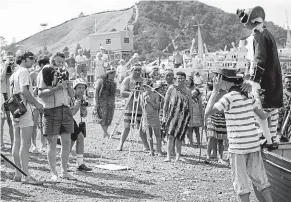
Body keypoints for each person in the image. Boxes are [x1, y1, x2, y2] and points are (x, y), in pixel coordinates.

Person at [205, 67, 273, 202]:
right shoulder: (248, 95)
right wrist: (272, 109)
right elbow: (263, 116)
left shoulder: (228, 98)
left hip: (238, 146)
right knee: (261, 179)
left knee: (241, 182)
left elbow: (207, 112)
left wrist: (214, 91)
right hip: (253, 143)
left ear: (223, 81)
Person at [237, 6, 283, 149]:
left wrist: (254, 80)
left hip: (264, 82)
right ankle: (273, 139)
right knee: (273, 111)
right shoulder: (268, 34)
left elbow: (259, 61)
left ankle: (267, 140)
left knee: (259, 110)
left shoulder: (259, 35)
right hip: (274, 82)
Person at [37, 52, 75, 181]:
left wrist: (69, 87)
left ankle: (64, 170)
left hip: (65, 109)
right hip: (51, 110)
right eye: (57, 61)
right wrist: (56, 88)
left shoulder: (64, 73)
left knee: (66, 141)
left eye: (62, 62)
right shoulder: (45, 72)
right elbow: (40, 94)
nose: (59, 64)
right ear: (52, 60)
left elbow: (72, 94)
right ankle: (54, 172)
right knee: (52, 143)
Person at [10, 51, 43, 184]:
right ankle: (27, 175)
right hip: (24, 107)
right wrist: (37, 103)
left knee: (16, 142)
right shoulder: (24, 71)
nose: (33, 61)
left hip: (14, 108)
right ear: (23, 59)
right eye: (31, 58)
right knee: (25, 143)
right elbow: (24, 90)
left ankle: (18, 173)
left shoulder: (13, 74)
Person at [117, 64, 149, 151]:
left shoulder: (144, 80)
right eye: (136, 70)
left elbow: (148, 92)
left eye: (139, 70)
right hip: (129, 107)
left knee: (141, 127)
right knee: (126, 127)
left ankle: (146, 145)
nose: (138, 72)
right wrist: (134, 92)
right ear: (132, 70)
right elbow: (122, 92)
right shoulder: (127, 79)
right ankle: (121, 144)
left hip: (140, 107)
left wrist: (142, 93)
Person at [163, 71, 193, 162]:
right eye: (178, 78)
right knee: (170, 136)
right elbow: (166, 102)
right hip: (172, 115)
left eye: (182, 78)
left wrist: (190, 118)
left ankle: (178, 156)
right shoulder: (171, 88)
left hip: (183, 116)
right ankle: (168, 156)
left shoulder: (188, 91)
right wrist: (164, 115)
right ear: (176, 79)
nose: (180, 80)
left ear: (185, 79)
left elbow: (190, 105)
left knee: (179, 137)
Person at [69, 78, 92, 171]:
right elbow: (71, 113)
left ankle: (79, 163)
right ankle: (76, 164)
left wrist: (83, 108)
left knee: (75, 140)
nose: (82, 90)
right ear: (74, 88)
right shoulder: (69, 97)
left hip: (75, 121)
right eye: (79, 87)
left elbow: (84, 115)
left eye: (83, 88)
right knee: (72, 142)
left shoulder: (82, 98)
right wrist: (76, 106)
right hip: (67, 120)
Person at [29, 56, 50, 153]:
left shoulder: (48, 74)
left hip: (43, 102)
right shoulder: (33, 74)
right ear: (41, 65)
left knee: (42, 124)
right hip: (35, 102)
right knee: (34, 124)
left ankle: (43, 145)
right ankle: (34, 145)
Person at [93, 67, 117, 138]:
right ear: (109, 74)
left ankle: (105, 132)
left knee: (109, 117)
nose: (114, 75)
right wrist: (96, 102)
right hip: (102, 102)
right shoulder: (101, 81)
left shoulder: (114, 83)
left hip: (110, 103)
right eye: (113, 74)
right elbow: (96, 91)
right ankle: (105, 132)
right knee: (102, 117)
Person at [141, 79, 162, 156]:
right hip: (146, 117)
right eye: (144, 87)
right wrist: (143, 101)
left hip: (154, 116)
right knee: (148, 135)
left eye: (147, 87)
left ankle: (159, 150)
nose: (145, 89)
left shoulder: (156, 95)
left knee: (157, 134)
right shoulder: (143, 95)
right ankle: (151, 151)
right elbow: (141, 107)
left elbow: (157, 107)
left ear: (151, 87)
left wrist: (150, 101)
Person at [0, 52, 15, 149]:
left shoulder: (14, 68)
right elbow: (1, 78)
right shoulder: (1, 67)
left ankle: (14, 143)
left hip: (11, 96)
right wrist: (5, 66)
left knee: (12, 120)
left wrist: (12, 68)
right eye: (6, 59)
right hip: (2, 95)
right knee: (1, 120)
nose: (8, 61)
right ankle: (1, 143)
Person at [185, 75, 204, 146]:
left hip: (196, 111)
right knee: (189, 129)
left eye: (188, 80)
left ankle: (198, 143)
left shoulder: (196, 90)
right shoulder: (185, 89)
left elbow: (200, 102)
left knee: (196, 129)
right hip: (188, 111)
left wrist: (202, 113)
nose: (187, 81)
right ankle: (191, 142)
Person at [277, 74, 291, 139]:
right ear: (284, 83)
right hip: (283, 120)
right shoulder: (281, 94)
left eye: (290, 82)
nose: (288, 84)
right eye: (287, 82)